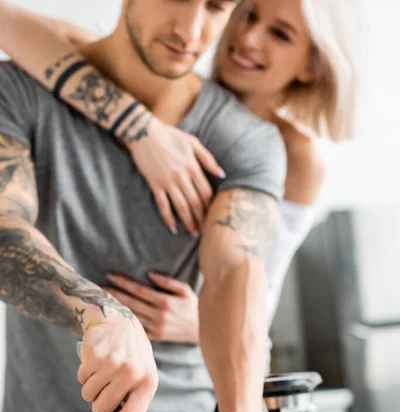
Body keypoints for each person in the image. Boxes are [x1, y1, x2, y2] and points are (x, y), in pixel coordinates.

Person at [0, 0, 288, 412]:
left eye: (217, 7)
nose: (191, 30)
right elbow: (3, 227)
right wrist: (103, 313)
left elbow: (233, 271)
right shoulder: (16, 90)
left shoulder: (248, 139)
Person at [0, 0, 361, 367]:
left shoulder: (293, 155)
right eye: (248, 14)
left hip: (201, 366)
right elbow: (15, 25)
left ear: (311, 65)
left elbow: (256, 288)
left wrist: (204, 322)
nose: (248, 37)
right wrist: (142, 131)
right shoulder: (154, 74)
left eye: (280, 34)